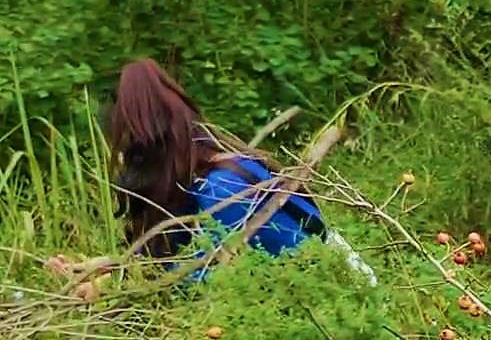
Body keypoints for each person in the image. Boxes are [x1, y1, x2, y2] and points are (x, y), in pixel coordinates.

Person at [47, 58, 374, 299]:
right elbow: (181, 256)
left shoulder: (223, 186)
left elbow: (203, 282)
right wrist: (106, 266)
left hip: (344, 304)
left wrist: (109, 289)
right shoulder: (202, 179)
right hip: (306, 300)